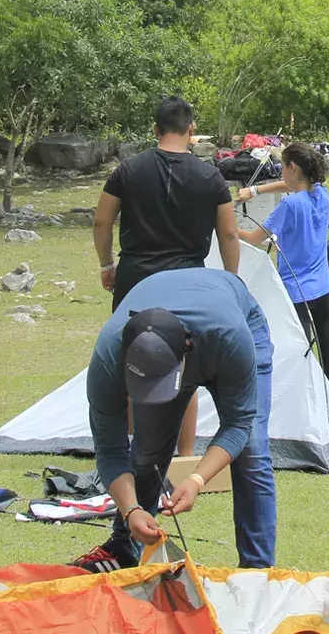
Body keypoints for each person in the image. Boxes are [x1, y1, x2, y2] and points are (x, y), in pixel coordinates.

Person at [72, 268, 275, 574]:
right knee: (147, 449)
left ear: (186, 352)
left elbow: (239, 423)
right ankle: (125, 545)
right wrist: (130, 509)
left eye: (161, 382)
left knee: (251, 452)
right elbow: (111, 450)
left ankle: (257, 572)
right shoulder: (108, 358)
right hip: (174, 313)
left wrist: (196, 480)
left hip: (235, 322)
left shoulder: (229, 337)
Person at [94, 96, 240, 461]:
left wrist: (106, 264)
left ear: (155, 129)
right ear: (191, 131)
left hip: (136, 280)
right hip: (188, 282)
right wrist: (230, 282)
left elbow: (102, 221)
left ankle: (133, 451)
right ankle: (186, 453)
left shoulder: (127, 170)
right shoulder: (210, 176)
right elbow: (229, 235)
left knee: (132, 361)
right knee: (185, 368)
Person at [235, 143, 329, 410]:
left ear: (292, 167)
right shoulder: (320, 192)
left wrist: (228, 225)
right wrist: (255, 190)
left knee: (298, 358)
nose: (281, 173)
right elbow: (290, 186)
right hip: (323, 291)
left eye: (282, 167)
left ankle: (304, 415)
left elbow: (254, 239)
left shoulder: (289, 206)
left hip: (296, 296)